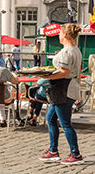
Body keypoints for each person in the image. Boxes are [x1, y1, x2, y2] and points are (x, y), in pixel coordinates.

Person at [38, 23, 83, 165]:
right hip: (65, 89)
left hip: (63, 89)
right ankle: (53, 151)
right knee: (50, 119)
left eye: (59, 33)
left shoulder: (67, 52)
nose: (58, 35)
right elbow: (77, 72)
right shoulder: (76, 50)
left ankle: (75, 154)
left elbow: (64, 73)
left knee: (65, 123)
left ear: (64, 35)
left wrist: (46, 76)